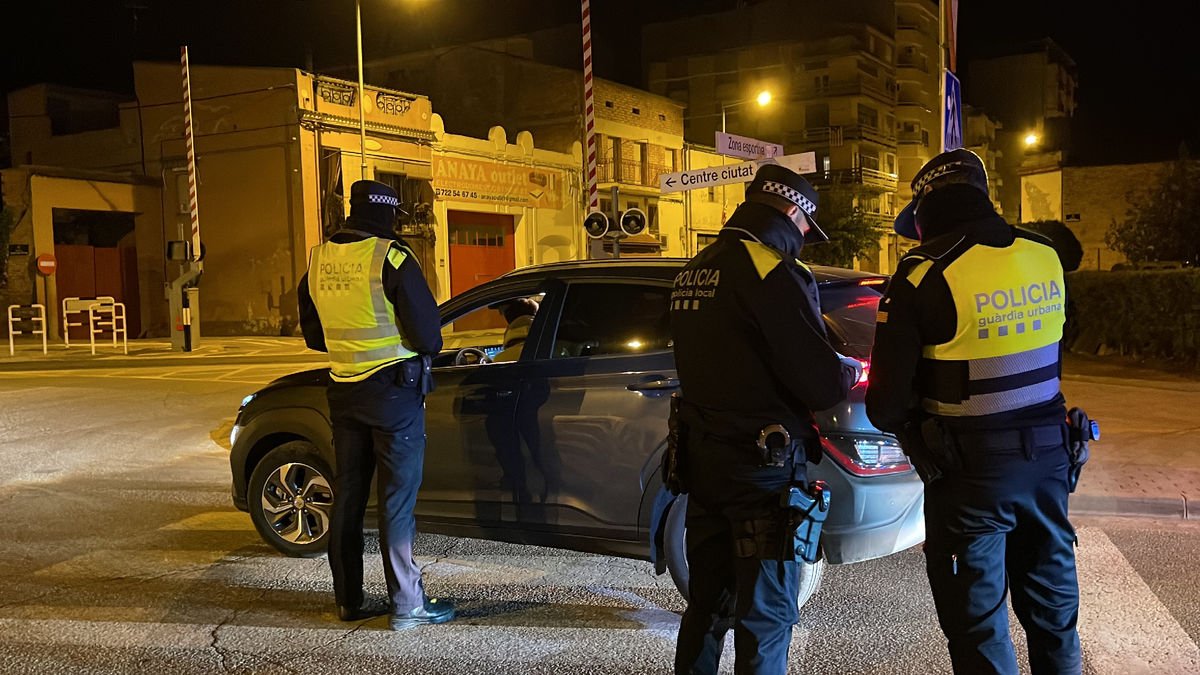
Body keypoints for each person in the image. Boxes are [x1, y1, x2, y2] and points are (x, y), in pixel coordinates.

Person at [865, 149, 1081, 674]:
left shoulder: (922, 271)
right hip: (1051, 460)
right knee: (1053, 613)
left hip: (969, 475)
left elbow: (885, 404)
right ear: (983, 194)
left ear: (924, 211)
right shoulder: (1043, 253)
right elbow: (1063, 337)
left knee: (979, 625)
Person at [669, 164, 862, 675]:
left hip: (705, 460)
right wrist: (847, 371)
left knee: (708, 608)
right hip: (764, 470)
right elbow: (819, 383)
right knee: (767, 616)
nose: (802, 240)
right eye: (804, 229)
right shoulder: (772, 270)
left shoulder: (698, 265)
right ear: (792, 212)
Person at [298, 179, 455, 631]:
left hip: (343, 392)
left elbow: (313, 335)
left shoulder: (319, 258)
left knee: (348, 497)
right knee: (396, 502)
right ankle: (407, 604)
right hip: (394, 394)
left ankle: (348, 600)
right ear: (388, 214)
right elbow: (428, 337)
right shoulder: (393, 256)